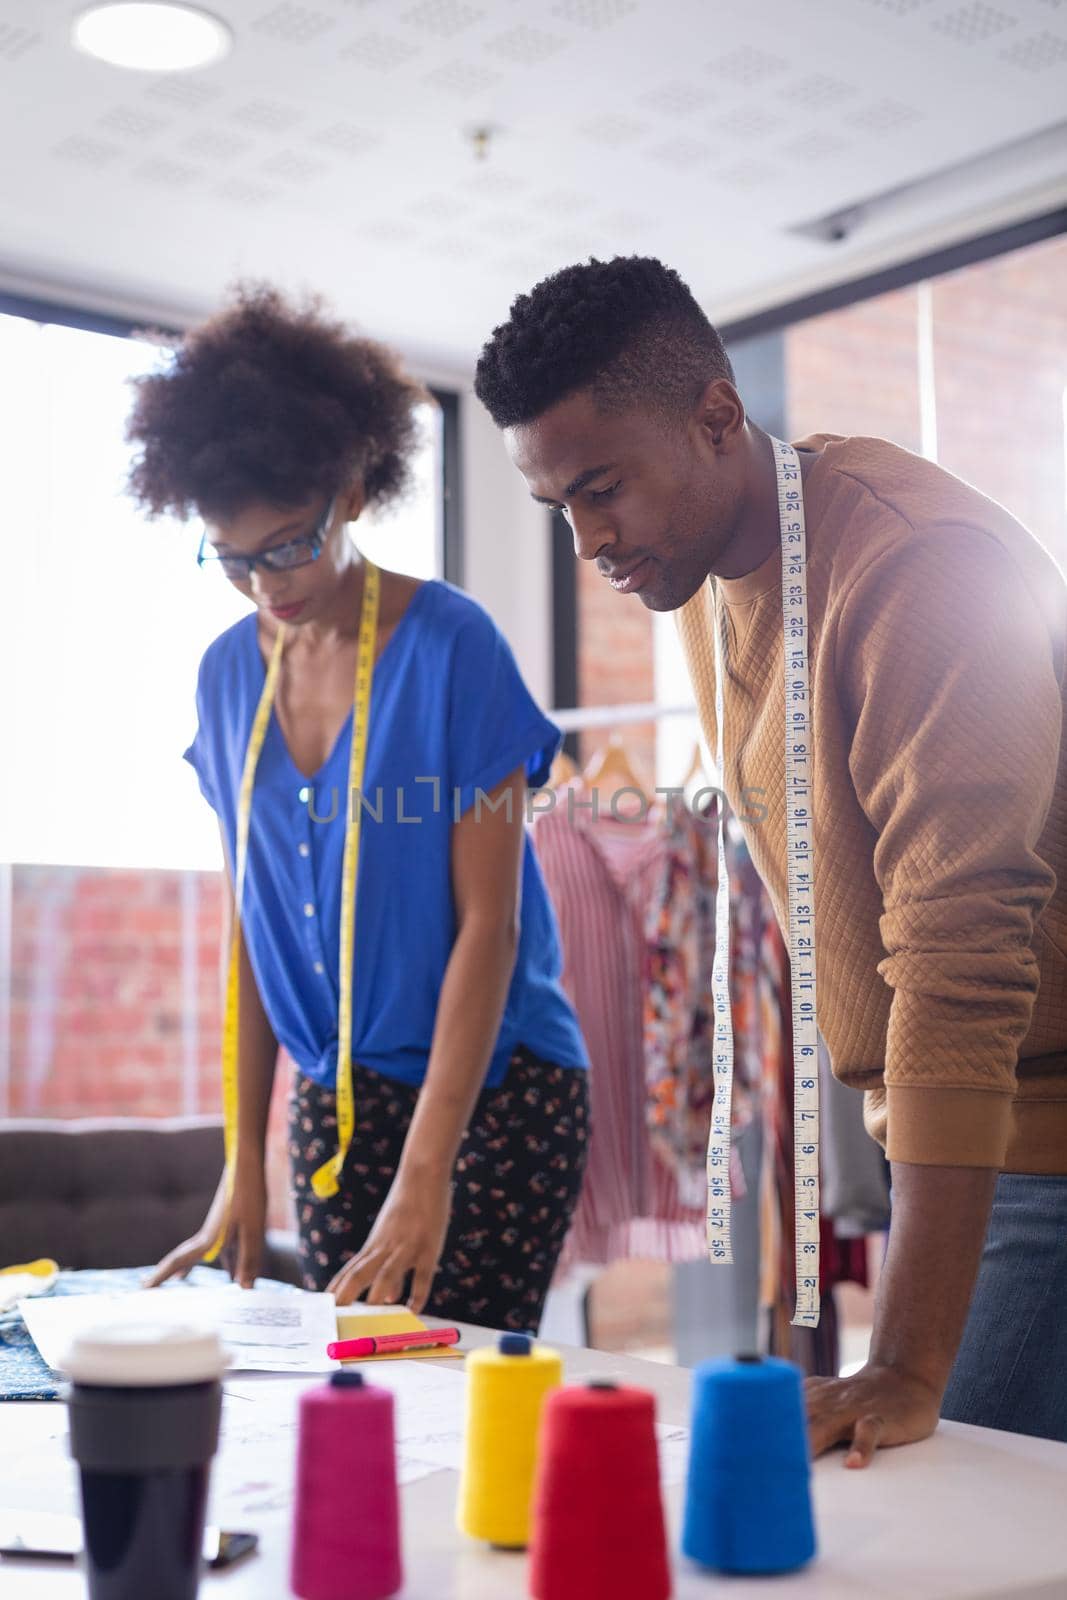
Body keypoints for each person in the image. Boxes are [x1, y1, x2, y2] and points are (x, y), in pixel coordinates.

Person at [474, 255, 1067, 1456]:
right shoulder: (698, 576)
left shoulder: (916, 564)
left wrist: (899, 1358)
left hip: (1043, 1131)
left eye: (604, 488)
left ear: (713, 418)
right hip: (959, 1129)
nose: (589, 539)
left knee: (941, 1522)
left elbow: (959, 950)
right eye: (559, 510)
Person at [132, 284, 590, 1331]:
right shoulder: (224, 679)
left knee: (457, 1402)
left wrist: (429, 1170)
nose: (267, 585)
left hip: (494, 1090)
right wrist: (238, 1159)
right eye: (234, 558)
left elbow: (491, 923)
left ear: (348, 489)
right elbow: (249, 927)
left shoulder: (448, 646)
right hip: (334, 1105)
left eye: (289, 543)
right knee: (362, 1390)